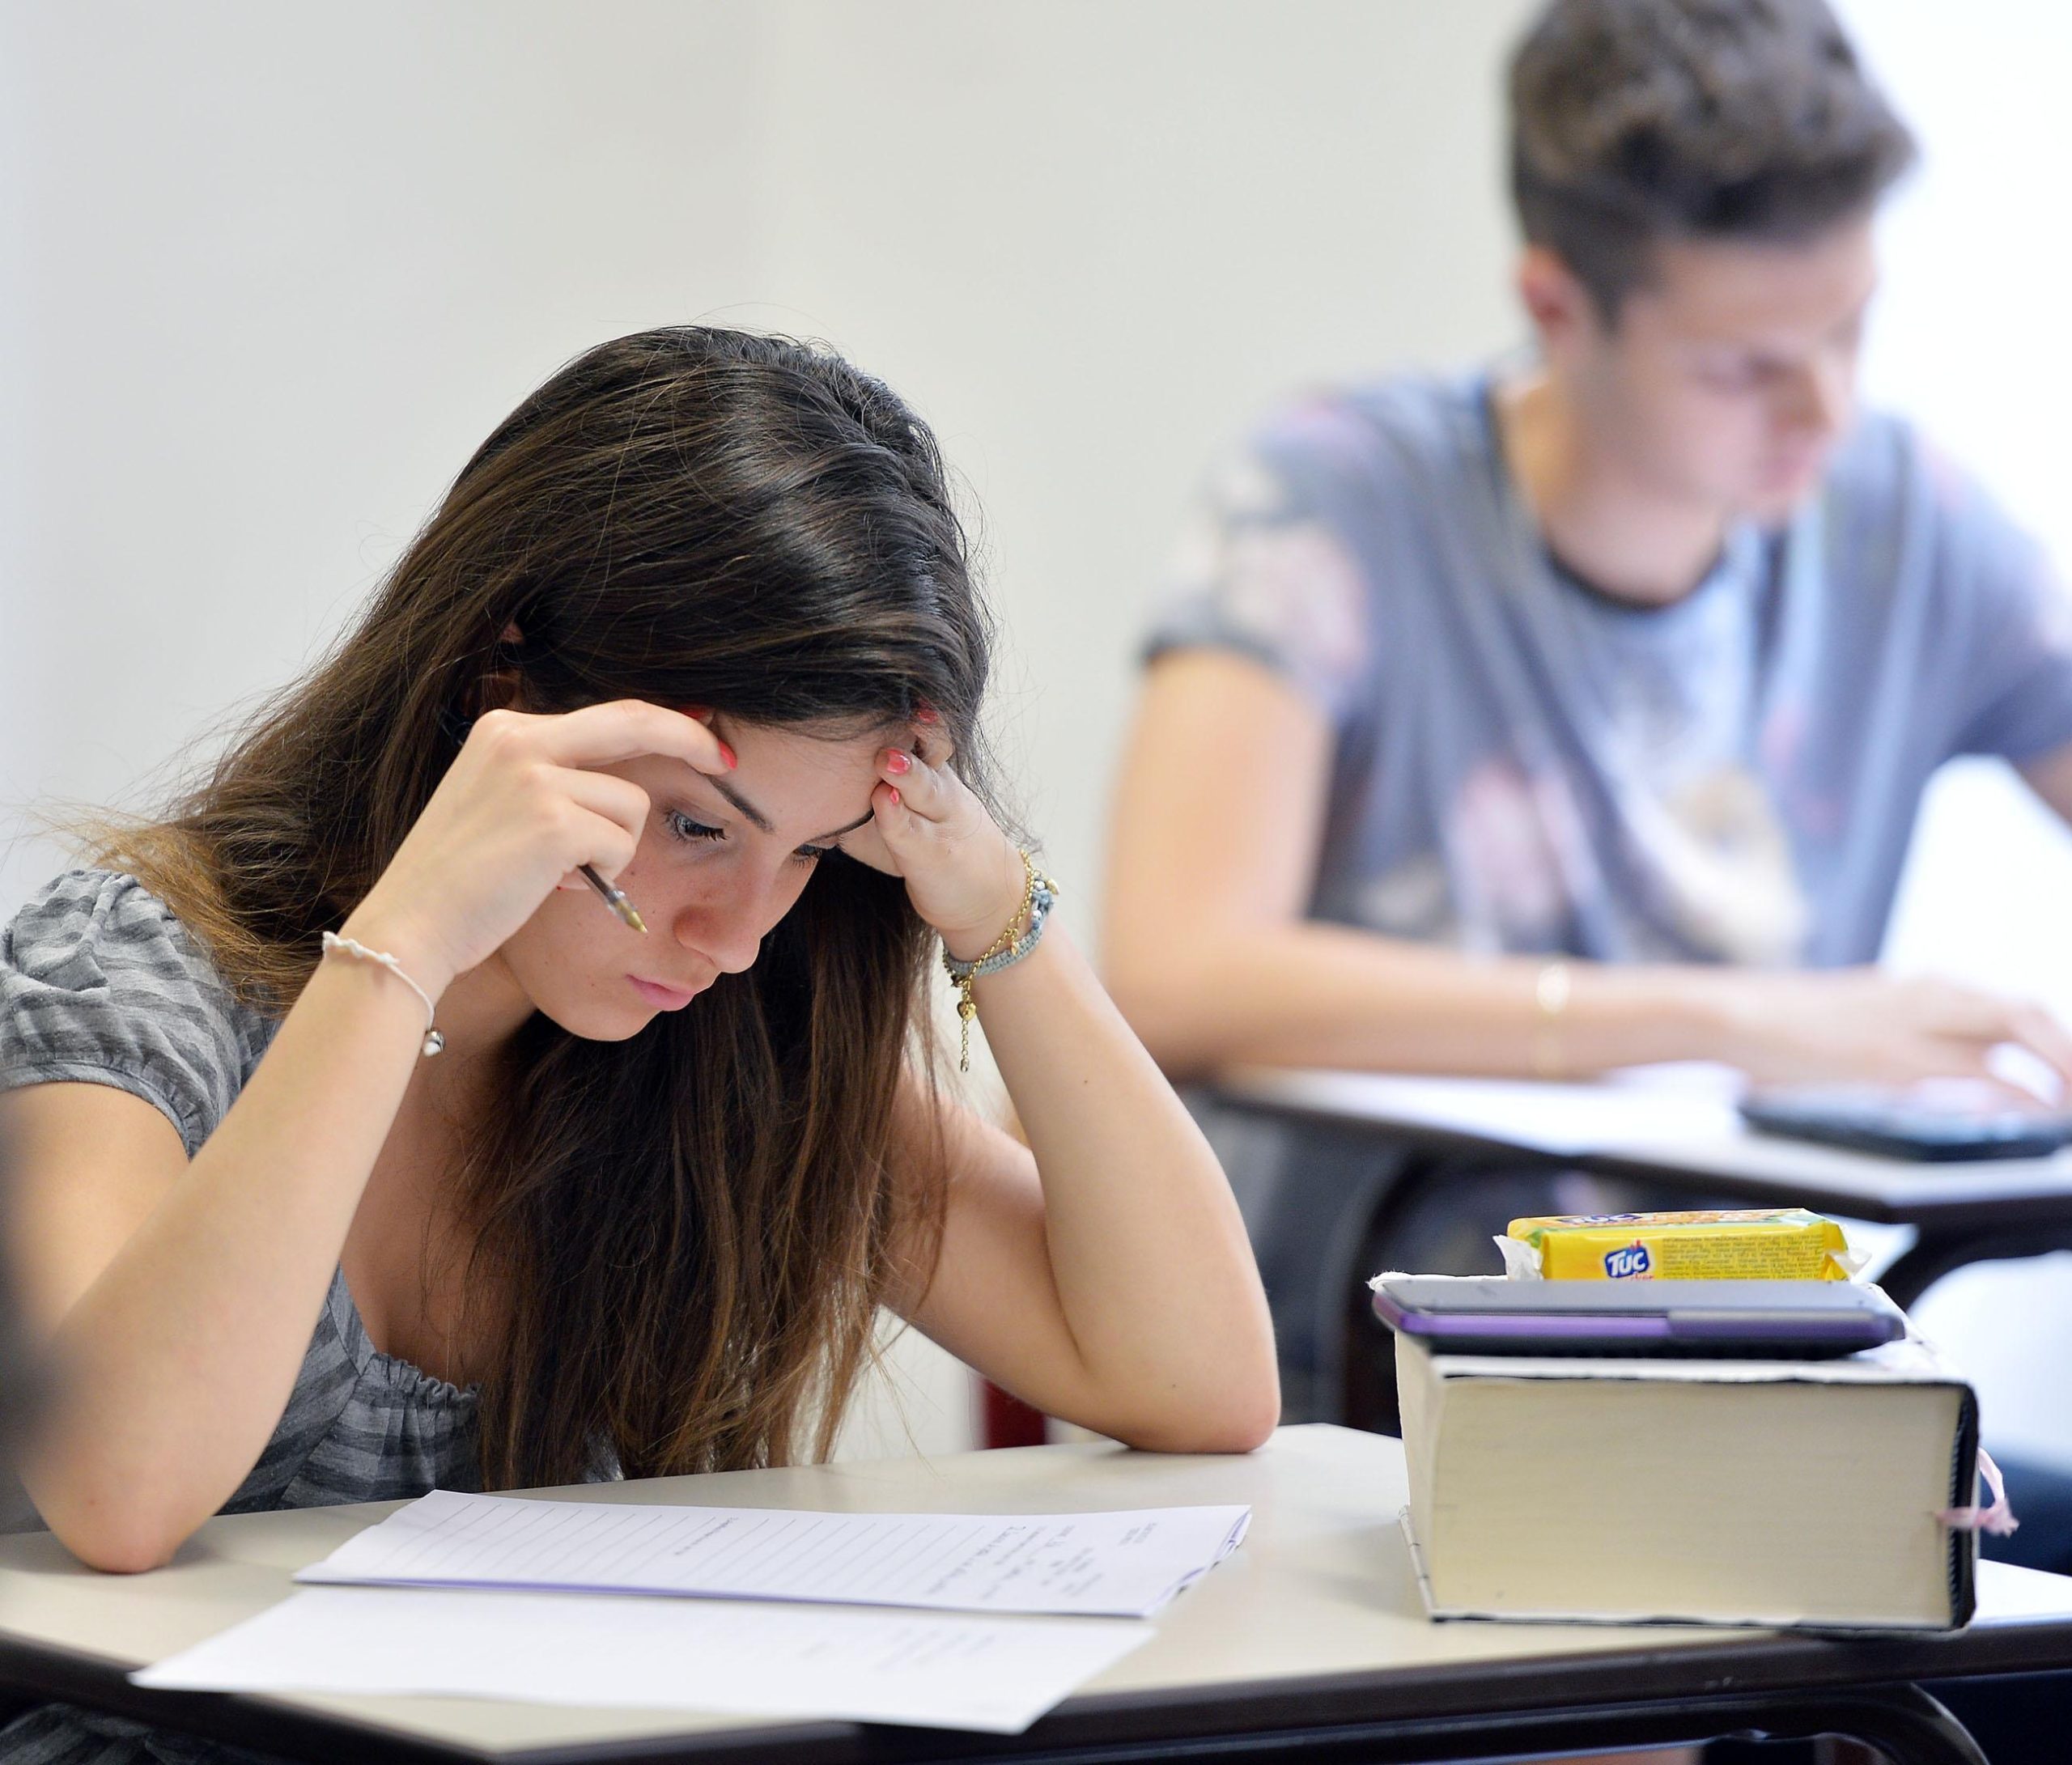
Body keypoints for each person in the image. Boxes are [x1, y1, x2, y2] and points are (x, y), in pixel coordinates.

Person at [0, 328, 1278, 1763]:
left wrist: (996, 913)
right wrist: (407, 943)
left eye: (812, 849)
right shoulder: (130, 976)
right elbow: (118, 1489)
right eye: (695, 823)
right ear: (500, 688)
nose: (735, 933)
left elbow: (1200, 1383)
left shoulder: (730, 1037)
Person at [1103, 0, 2072, 1426]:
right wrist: (1741, 1021)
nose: (1824, 407)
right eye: (1743, 366)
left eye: (1850, 328)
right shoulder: (1341, 503)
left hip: (1747, 1381)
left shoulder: (1906, 522)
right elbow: (1174, 972)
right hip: (1356, 1375)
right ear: (1558, 309)